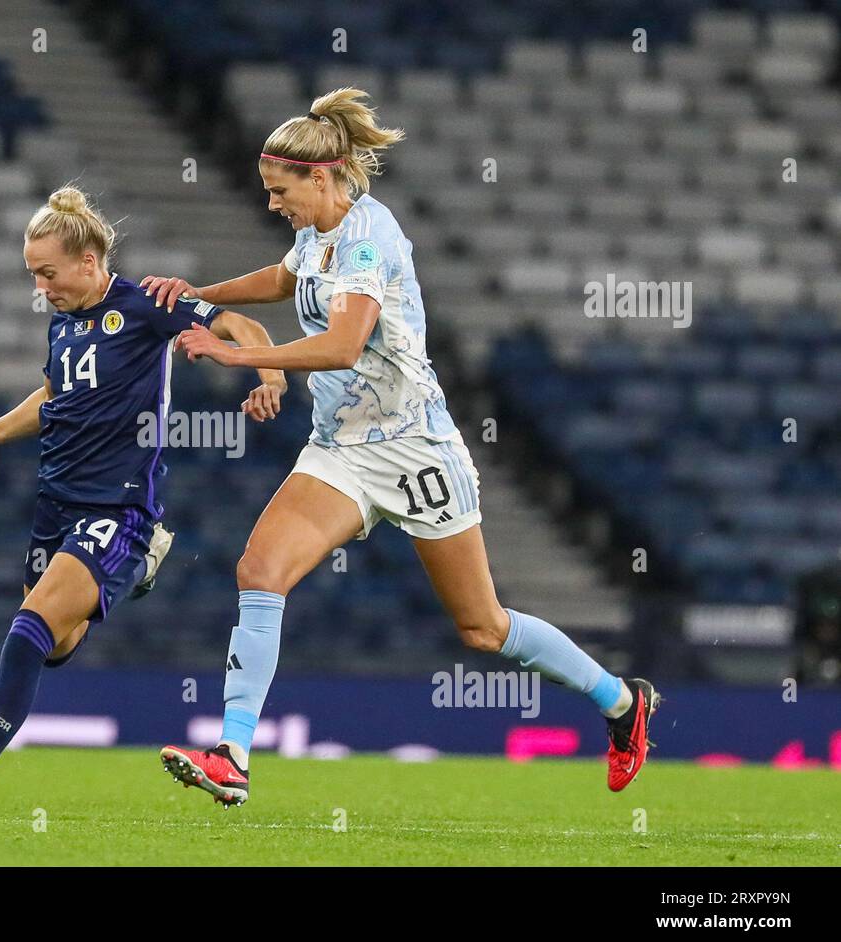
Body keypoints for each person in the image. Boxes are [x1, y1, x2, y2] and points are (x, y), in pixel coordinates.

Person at [145, 89, 659, 808]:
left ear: (320, 179)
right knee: (260, 570)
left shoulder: (367, 236)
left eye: (279, 191)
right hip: (342, 450)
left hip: (415, 449)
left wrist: (235, 359)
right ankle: (233, 754)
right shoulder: (317, 231)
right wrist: (199, 293)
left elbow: (344, 344)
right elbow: (285, 277)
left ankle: (620, 704)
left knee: (483, 627)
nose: (272, 205)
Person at [0, 185, 286, 812]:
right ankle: (134, 570)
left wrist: (268, 370)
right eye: (34, 275)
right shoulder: (63, 323)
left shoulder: (147, 305)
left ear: (89, 262)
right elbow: (53, 395)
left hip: (115, 509)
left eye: (48, 273)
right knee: (54, 647)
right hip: (54, 507)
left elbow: (234, 320)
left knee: (25, 632)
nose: (41, 287)